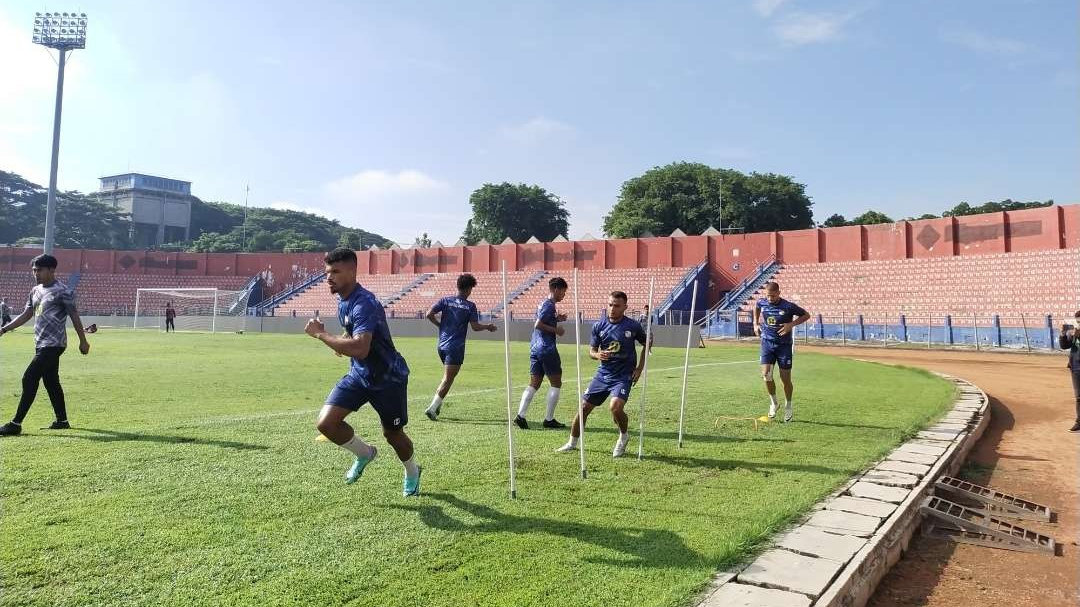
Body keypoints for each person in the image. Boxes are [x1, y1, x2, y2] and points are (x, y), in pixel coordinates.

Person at [304, 248, 422, 496]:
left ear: (352, 271)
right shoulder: (342, 301)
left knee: (393, 434)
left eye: (335, 271)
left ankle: (412, 471)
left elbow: (360, 347)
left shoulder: (364, 302)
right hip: (359, 375)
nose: (329, 277)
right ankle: (365, 453)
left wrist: (322, 335)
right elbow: (354, 336)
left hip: (388, 378)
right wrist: (341, 341)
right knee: (326, 424)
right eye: (327, 272)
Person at [0, 254, 91, 436]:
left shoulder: (63, 291)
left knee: (29, 377)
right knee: (51, 381)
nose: (36, 273)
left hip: (54, 343)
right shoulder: (35, 291)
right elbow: (26, 314)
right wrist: (4, 329)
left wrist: (83, 341)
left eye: (39, 270)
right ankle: (62, 420)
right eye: (34, 270)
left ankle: (16, 423)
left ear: (51, 270)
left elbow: (74, 315)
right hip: (40, 343)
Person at [556, 291, 650, 457]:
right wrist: (598, 355)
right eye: (610, 305)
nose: (612, 309)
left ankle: (623, 436)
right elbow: (592, 351)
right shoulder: (598, 326)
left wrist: (639, 368)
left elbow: (647, 342)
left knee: (615, 407)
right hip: (603, 374)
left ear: (625, 307)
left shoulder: (633, 326)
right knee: (583, 408)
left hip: (623, 375)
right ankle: (572, 443)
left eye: (617, 306)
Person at [423, 273, 497, 421]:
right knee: (448, 379)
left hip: (441, 346)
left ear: (457, 286)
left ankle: (437, 405)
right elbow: (475, 327)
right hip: (455, 346)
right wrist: (488, 327)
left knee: (446, 377)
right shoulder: (470, 306)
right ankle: (432, 408)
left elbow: (428, 314)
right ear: (469, 289)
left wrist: (440, 326)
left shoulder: (445, 300)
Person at [514, 276, 569, 429]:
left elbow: (543, 320)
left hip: (535, 347)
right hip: (546, 348)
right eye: (563, 291)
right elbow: (538, 324)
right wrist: (556, 330)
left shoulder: (543, 304)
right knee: (556, 383)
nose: (564, 295)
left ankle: (521, 415)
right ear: (556, 289)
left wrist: (558, 318)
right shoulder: (549, 305)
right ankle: (549, 419)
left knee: (534, 383)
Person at [753, 281, 810, 422]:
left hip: (784, 346)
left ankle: (788, 406)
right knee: (766, 375)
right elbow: (757, 307)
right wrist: (755, 323)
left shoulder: (788, 306)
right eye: (768, 296)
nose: (770, 299)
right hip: (767, 342)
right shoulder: (762, 302)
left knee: (785, 379)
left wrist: (791, 324)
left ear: (779, 293)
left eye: (773, 296)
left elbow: (806, 315)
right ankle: (774, 403)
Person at [1059, 311, 1080, 432]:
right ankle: (1079, 422)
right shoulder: (1073, 332)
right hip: (1076, 368)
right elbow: (1064, 346)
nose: (1078, 324)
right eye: (1077, 322)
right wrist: (1062, 335)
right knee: (1078, 397)